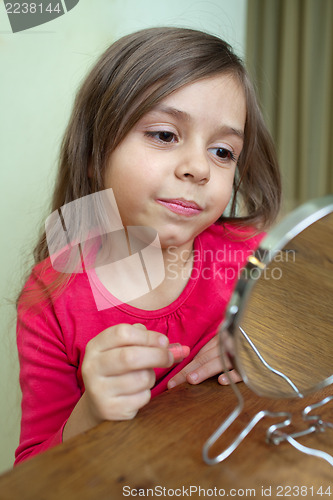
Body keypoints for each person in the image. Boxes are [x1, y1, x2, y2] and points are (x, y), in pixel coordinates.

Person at [14, 27, 281, 465]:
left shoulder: (253, 255)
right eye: (164, 135)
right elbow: (32, 474)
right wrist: (89, 415)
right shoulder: (51, 299)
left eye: (222, 151)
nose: (198, 168)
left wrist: (276, 343)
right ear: (94, 152)